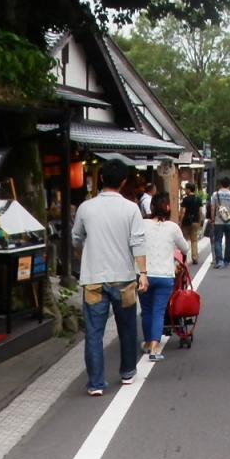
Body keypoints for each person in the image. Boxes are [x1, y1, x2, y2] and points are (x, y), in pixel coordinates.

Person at [71, 159, 148, 396]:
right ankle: (127, 372)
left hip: (93, 279)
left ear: (102, 178)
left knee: (94, 332)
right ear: (124, 182)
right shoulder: (131, 209)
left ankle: (95, 383)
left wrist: (88, 253)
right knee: (127, 328)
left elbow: (76, 238)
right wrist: (143, 273)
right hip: (124, 279)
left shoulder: (85, 208)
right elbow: (138, 242)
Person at [139, 193, 191, 362]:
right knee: (158, 312)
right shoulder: (173, 227)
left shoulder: (142, 224)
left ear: (152, 207)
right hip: (164, 276)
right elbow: (185, 248)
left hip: (144, 274)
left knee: (146, 310)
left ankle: (148, 343)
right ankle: (154, 349)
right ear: (168, 208)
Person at [209, 178, 230, 268]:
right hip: (229, 222)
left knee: (217, 240)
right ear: (229, 185)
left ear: (221, 184)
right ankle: (227, 261)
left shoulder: (215, 194)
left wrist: (212, 219)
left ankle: (219, 261)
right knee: (228, 242)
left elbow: (212, 208)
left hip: (218, 221)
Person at [178, 182, 203, 264]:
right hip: (195, 222)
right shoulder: (198, 199)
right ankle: (195, 257)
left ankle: (183, 258)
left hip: (186, 222)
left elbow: (183, 211)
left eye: (186, 189)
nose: (185, 190)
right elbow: (200, 212)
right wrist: (199, 221)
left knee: (184, 240)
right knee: (194, 240)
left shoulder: (185, 199)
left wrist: (180, 221)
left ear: (189, 189)